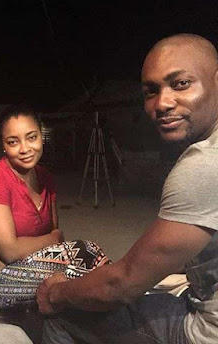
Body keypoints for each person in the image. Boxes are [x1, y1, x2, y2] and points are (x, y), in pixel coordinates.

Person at [36, 33, 218, 344]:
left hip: (206, 332)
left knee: (65, 315)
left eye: (181, 84)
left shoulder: (204, 165)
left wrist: (57, 292)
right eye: (151, 91)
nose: (162, 103)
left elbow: (121, 284)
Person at [0, 104, 110, 308]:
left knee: (88, 260)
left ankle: (124, 302)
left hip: (24, 264)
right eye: (13, 142)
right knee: (86, 272)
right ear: (3, 145)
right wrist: (50, 239)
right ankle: (128, 300)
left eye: (31, 137)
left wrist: (22, 250)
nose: (25, 149)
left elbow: (53, 246)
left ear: (41, 136)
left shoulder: (45, 178)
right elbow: (13, 249)